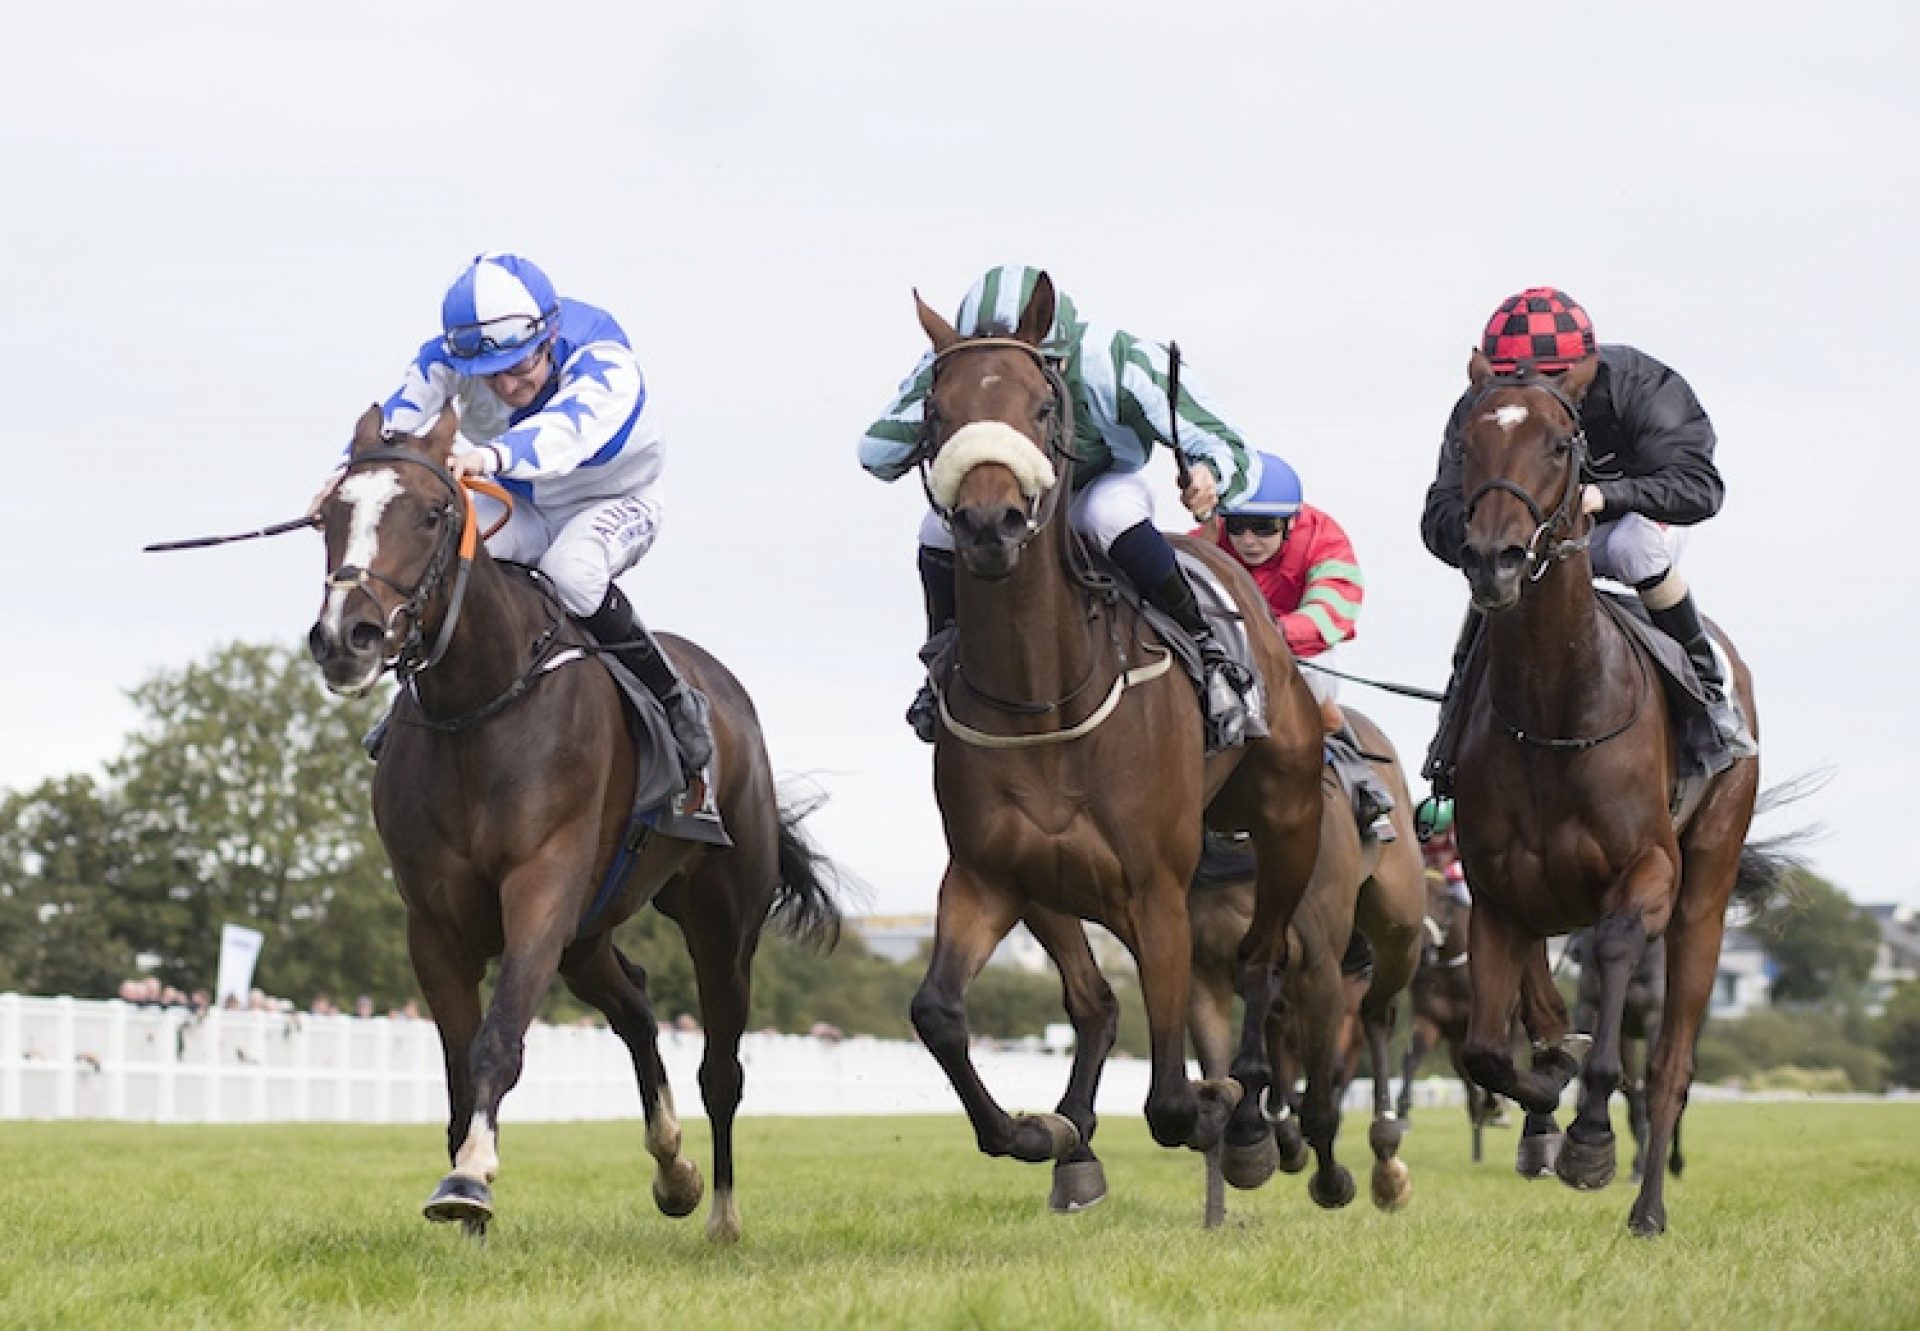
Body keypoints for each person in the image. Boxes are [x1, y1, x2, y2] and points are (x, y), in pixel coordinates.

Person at [316, 252, 711, 777]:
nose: (506, 386)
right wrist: (342, 476)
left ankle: (672, 696)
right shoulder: (446, 356)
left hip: (610, 503)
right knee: (444, 552)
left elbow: (567, 430)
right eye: (488, 375)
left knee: (570, 573)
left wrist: (491, 456)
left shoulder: (605, 358)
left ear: (548, 337)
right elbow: (399, 416)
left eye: (519, 366)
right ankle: (412, 691)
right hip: (522, 499)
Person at [859, 263, 1263, 751]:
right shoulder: (951, 365)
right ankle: (943, 659)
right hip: (1006, 496)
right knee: (937, 530)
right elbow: (875, 455)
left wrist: (1208, 477)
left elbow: (1225, 442)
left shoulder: (1118, 359)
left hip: (1094, 484)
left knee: (1108, 516)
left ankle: (1207, 650)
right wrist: (943, 396)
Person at [1419, 287, 1756, 792]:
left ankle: (1709, 698)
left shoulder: (1643, 385)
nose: (1530, 390)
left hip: (1632, 517)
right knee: (1495, 573)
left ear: (1585, 368)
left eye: (1551, 378)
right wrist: (1481, 533)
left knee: (1630, 550)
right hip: (1540, 534)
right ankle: (1453, 726)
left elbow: (1700, 489)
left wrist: (1607, 496)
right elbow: (1439, 511)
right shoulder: (1480, 409)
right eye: (1510, 379)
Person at [1202, 452, 1393, 832]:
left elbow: (1330, 611)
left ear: (1291, 522)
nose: (1248, 541)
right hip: (1228, 654)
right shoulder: (1209, 539)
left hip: (1301, 654)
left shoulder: (1325, 538)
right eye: (1238, 527)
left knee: (1308, 686)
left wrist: (1272, 638)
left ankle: (1360, 779)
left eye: (1264, 527)